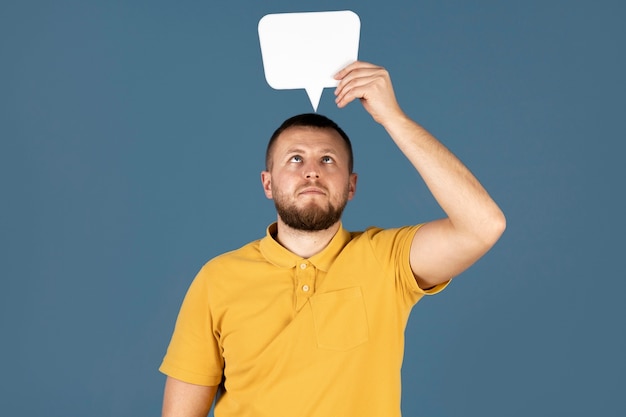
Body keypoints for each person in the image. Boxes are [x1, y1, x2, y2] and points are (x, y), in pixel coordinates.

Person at [159, 61, 506, 417]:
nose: (311, 170)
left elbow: (483, 225)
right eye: (295, 159)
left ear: (351, 185)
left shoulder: (388, 261)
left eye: (328, 159)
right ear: (267, 183)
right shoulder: (217, 280)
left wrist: (394, 118)